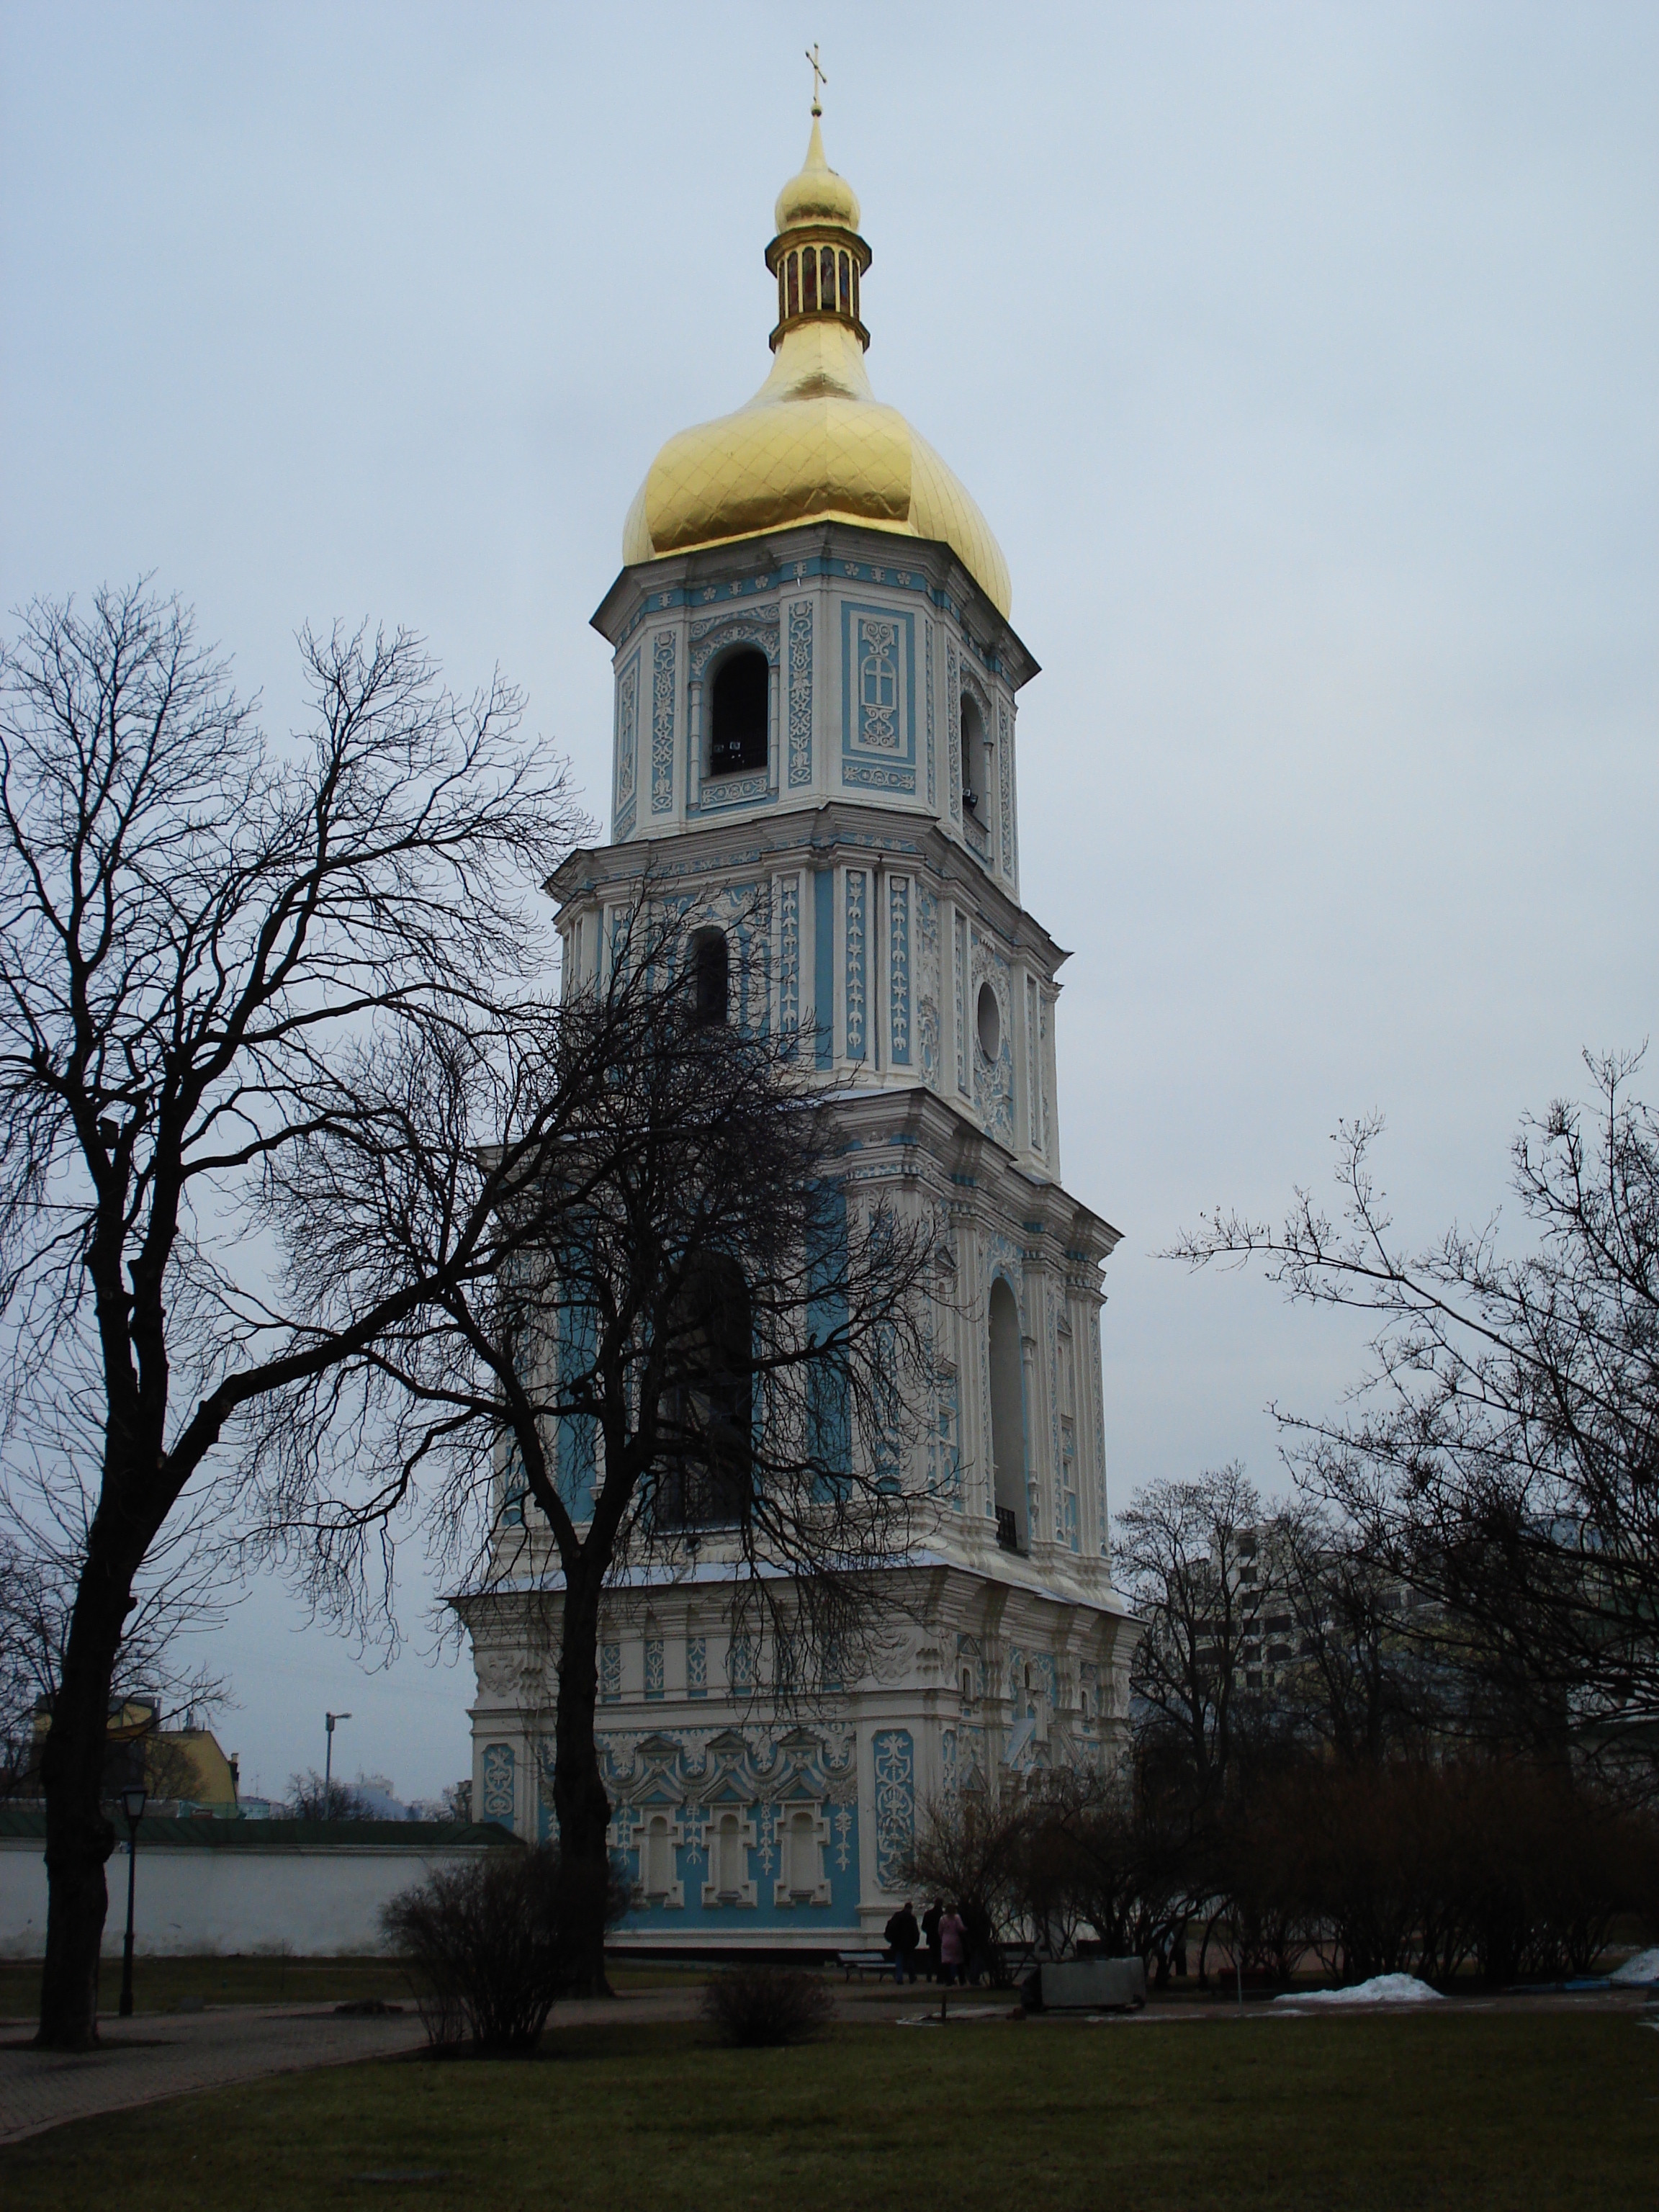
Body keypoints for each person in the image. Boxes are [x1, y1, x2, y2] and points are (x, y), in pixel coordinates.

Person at [884, 1899, 921, 1985]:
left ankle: (899, 1978)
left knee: (899, 1961)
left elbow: (891, 1928)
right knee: (909, 1961)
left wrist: (892, 1940)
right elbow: (915, 1932)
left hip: (898, 1943)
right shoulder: (912, 1919)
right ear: (910, 1909)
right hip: (908, 1944)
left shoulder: (897, 1916)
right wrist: (915, 1943)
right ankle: (912, 1977)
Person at [938, 1903, 967, 1987]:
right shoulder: (957, 1918)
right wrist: (966, 1929)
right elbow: (961, 1928)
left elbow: (940, 1931)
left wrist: (942, 1938)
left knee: (946, 1961)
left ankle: (948, 1980)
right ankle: (962, 1979)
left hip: (946, 1940)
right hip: (955, 1939)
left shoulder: (942, 1919)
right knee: (959, 1960)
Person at [921, 1899, 943, 1982]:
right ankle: (939, 1976)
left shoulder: (928, 1914)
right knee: (940, 1958)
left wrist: (929, 1931)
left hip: (931, 1938)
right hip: (940, 1938)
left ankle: (929, 1975)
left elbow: (924, 1927)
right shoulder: (942, 1915)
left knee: (932, 1958)